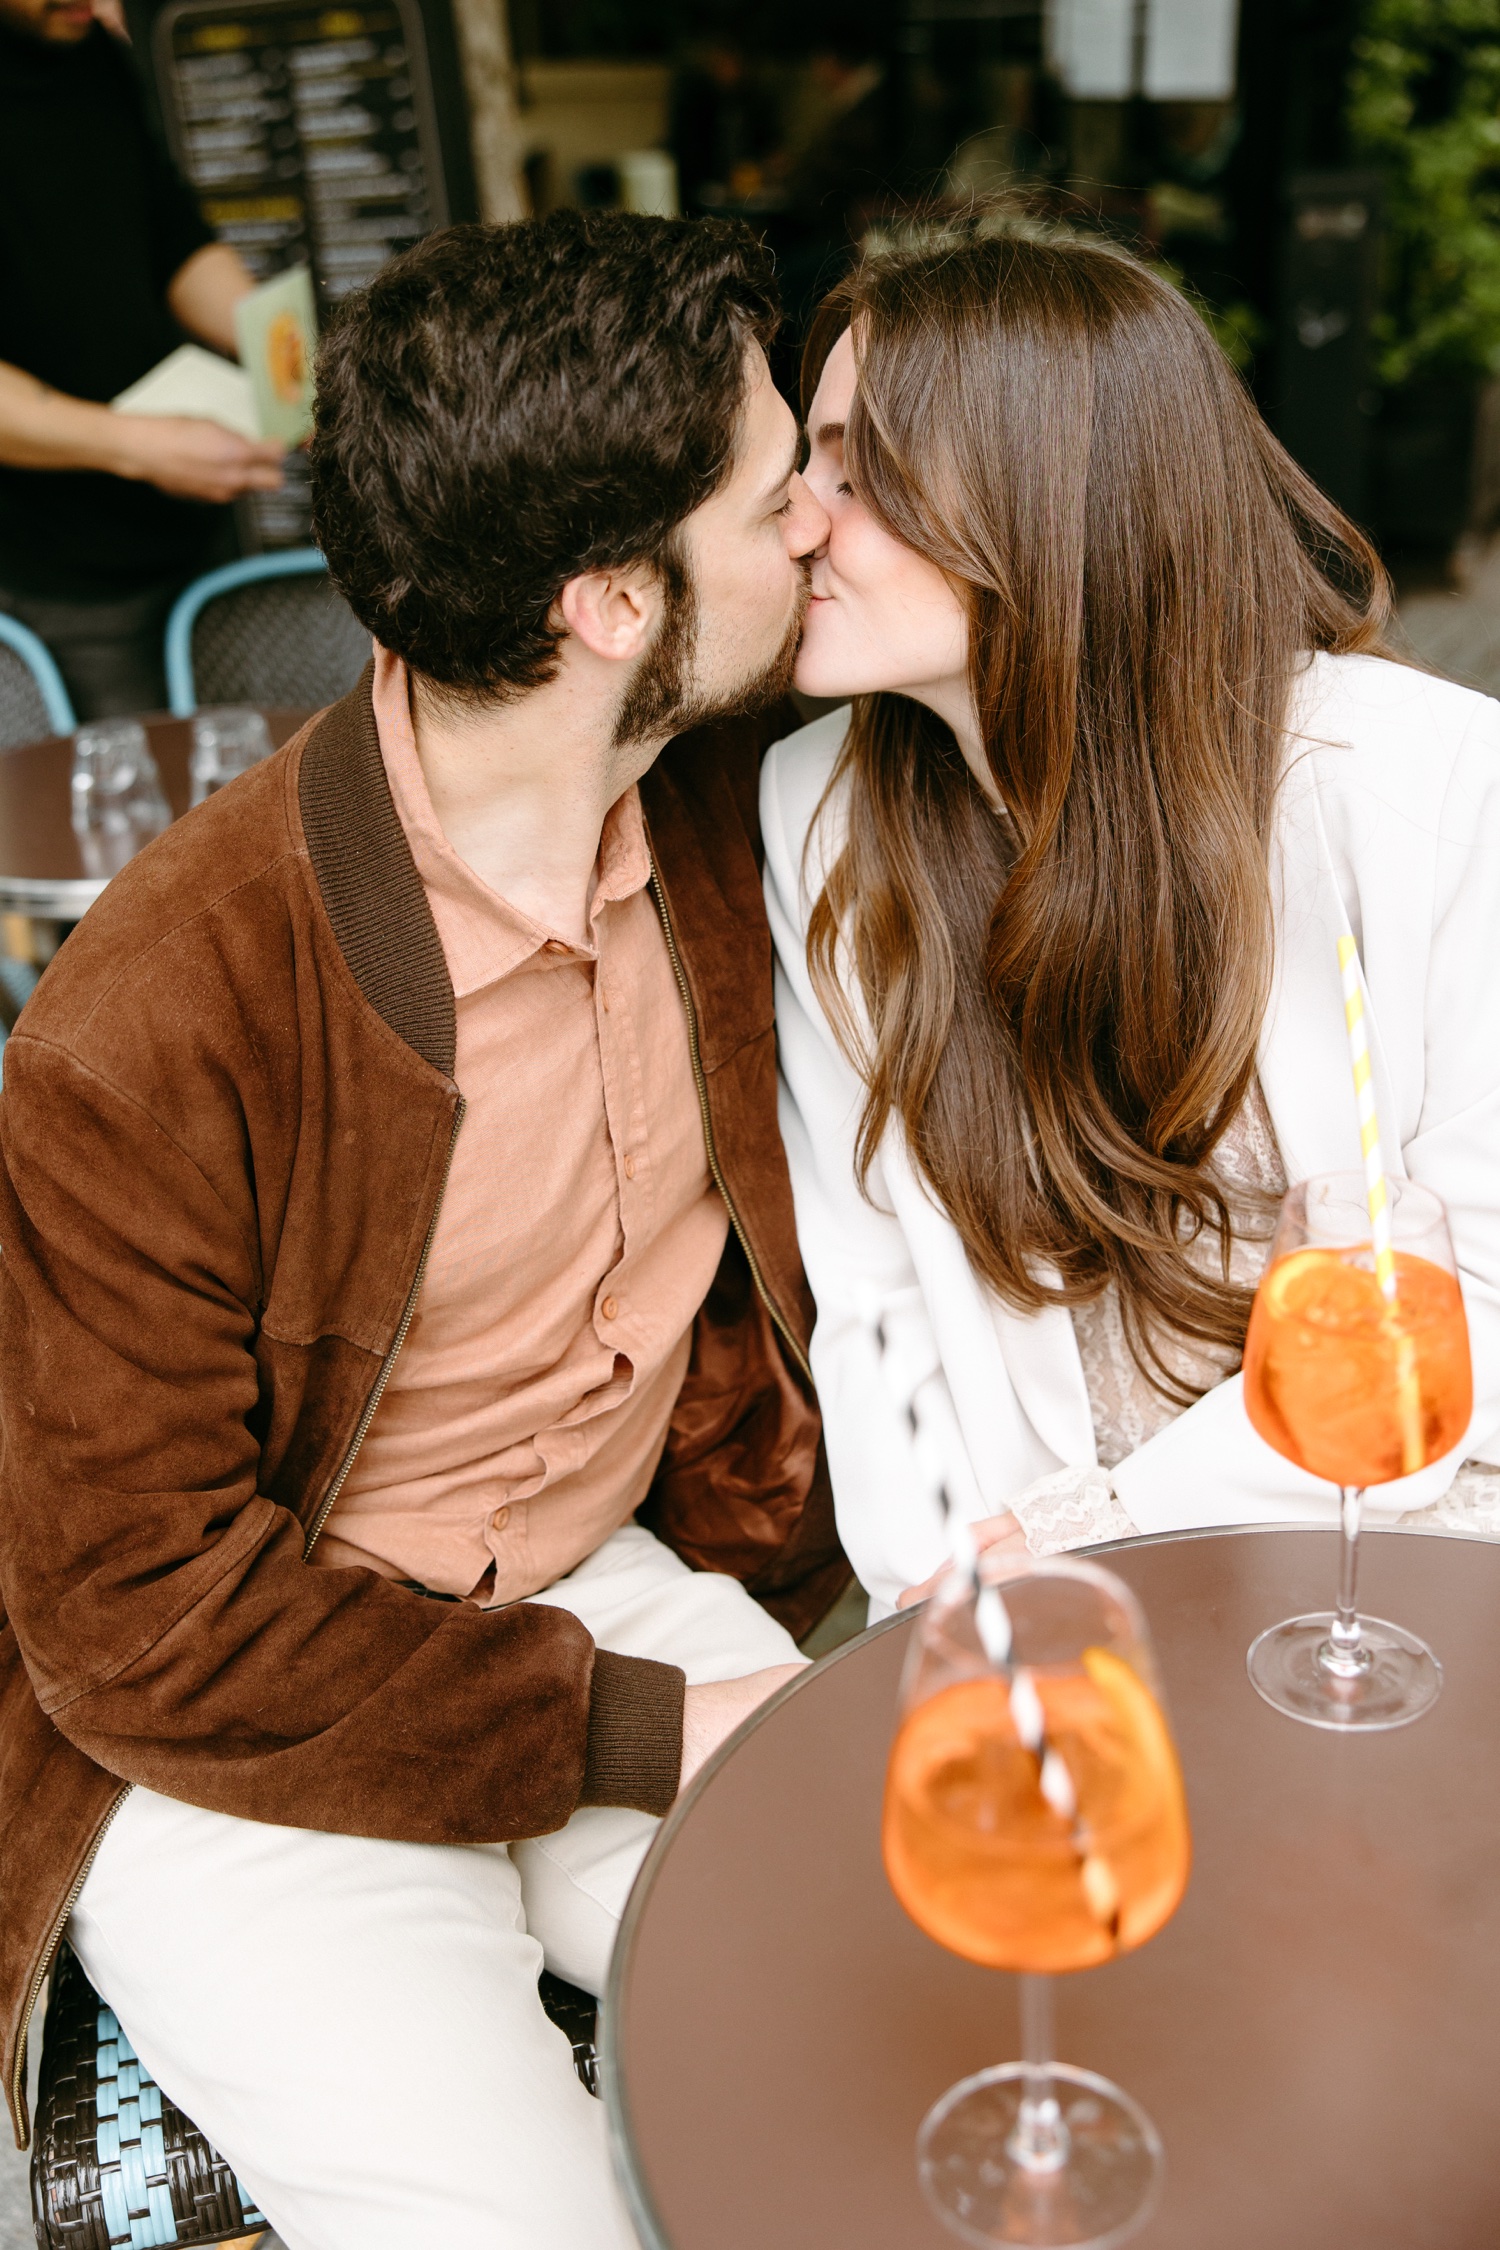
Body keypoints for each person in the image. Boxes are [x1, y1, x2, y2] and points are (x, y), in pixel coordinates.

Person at [0, 212, 843, 2249]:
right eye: (781, 481)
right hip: (245, 1729)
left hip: (594, 1577)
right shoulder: (156, 1013)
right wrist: (656, 1725)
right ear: (618, 599)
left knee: (964, 2030)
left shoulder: (729, 794)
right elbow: (133, 1621)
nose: (831, 514)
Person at [763, 214, 1500, 1621]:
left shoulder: (1425, 790)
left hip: (1403, 1552)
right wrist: (960, 1589)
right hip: (1041, 1593)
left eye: (856, 474)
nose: (798, 518)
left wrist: (1106, 1525)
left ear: (1042, 502)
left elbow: (1473, 1301)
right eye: (811, 460)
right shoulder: (820, 812)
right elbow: (874, 1314)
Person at [0, 0, 284, 718]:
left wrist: (285, 352)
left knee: (249, 789)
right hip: (61, 584)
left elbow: (171, 237)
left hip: (194, 532)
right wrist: (137, 448)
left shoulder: (91, 52)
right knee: (140, 825)